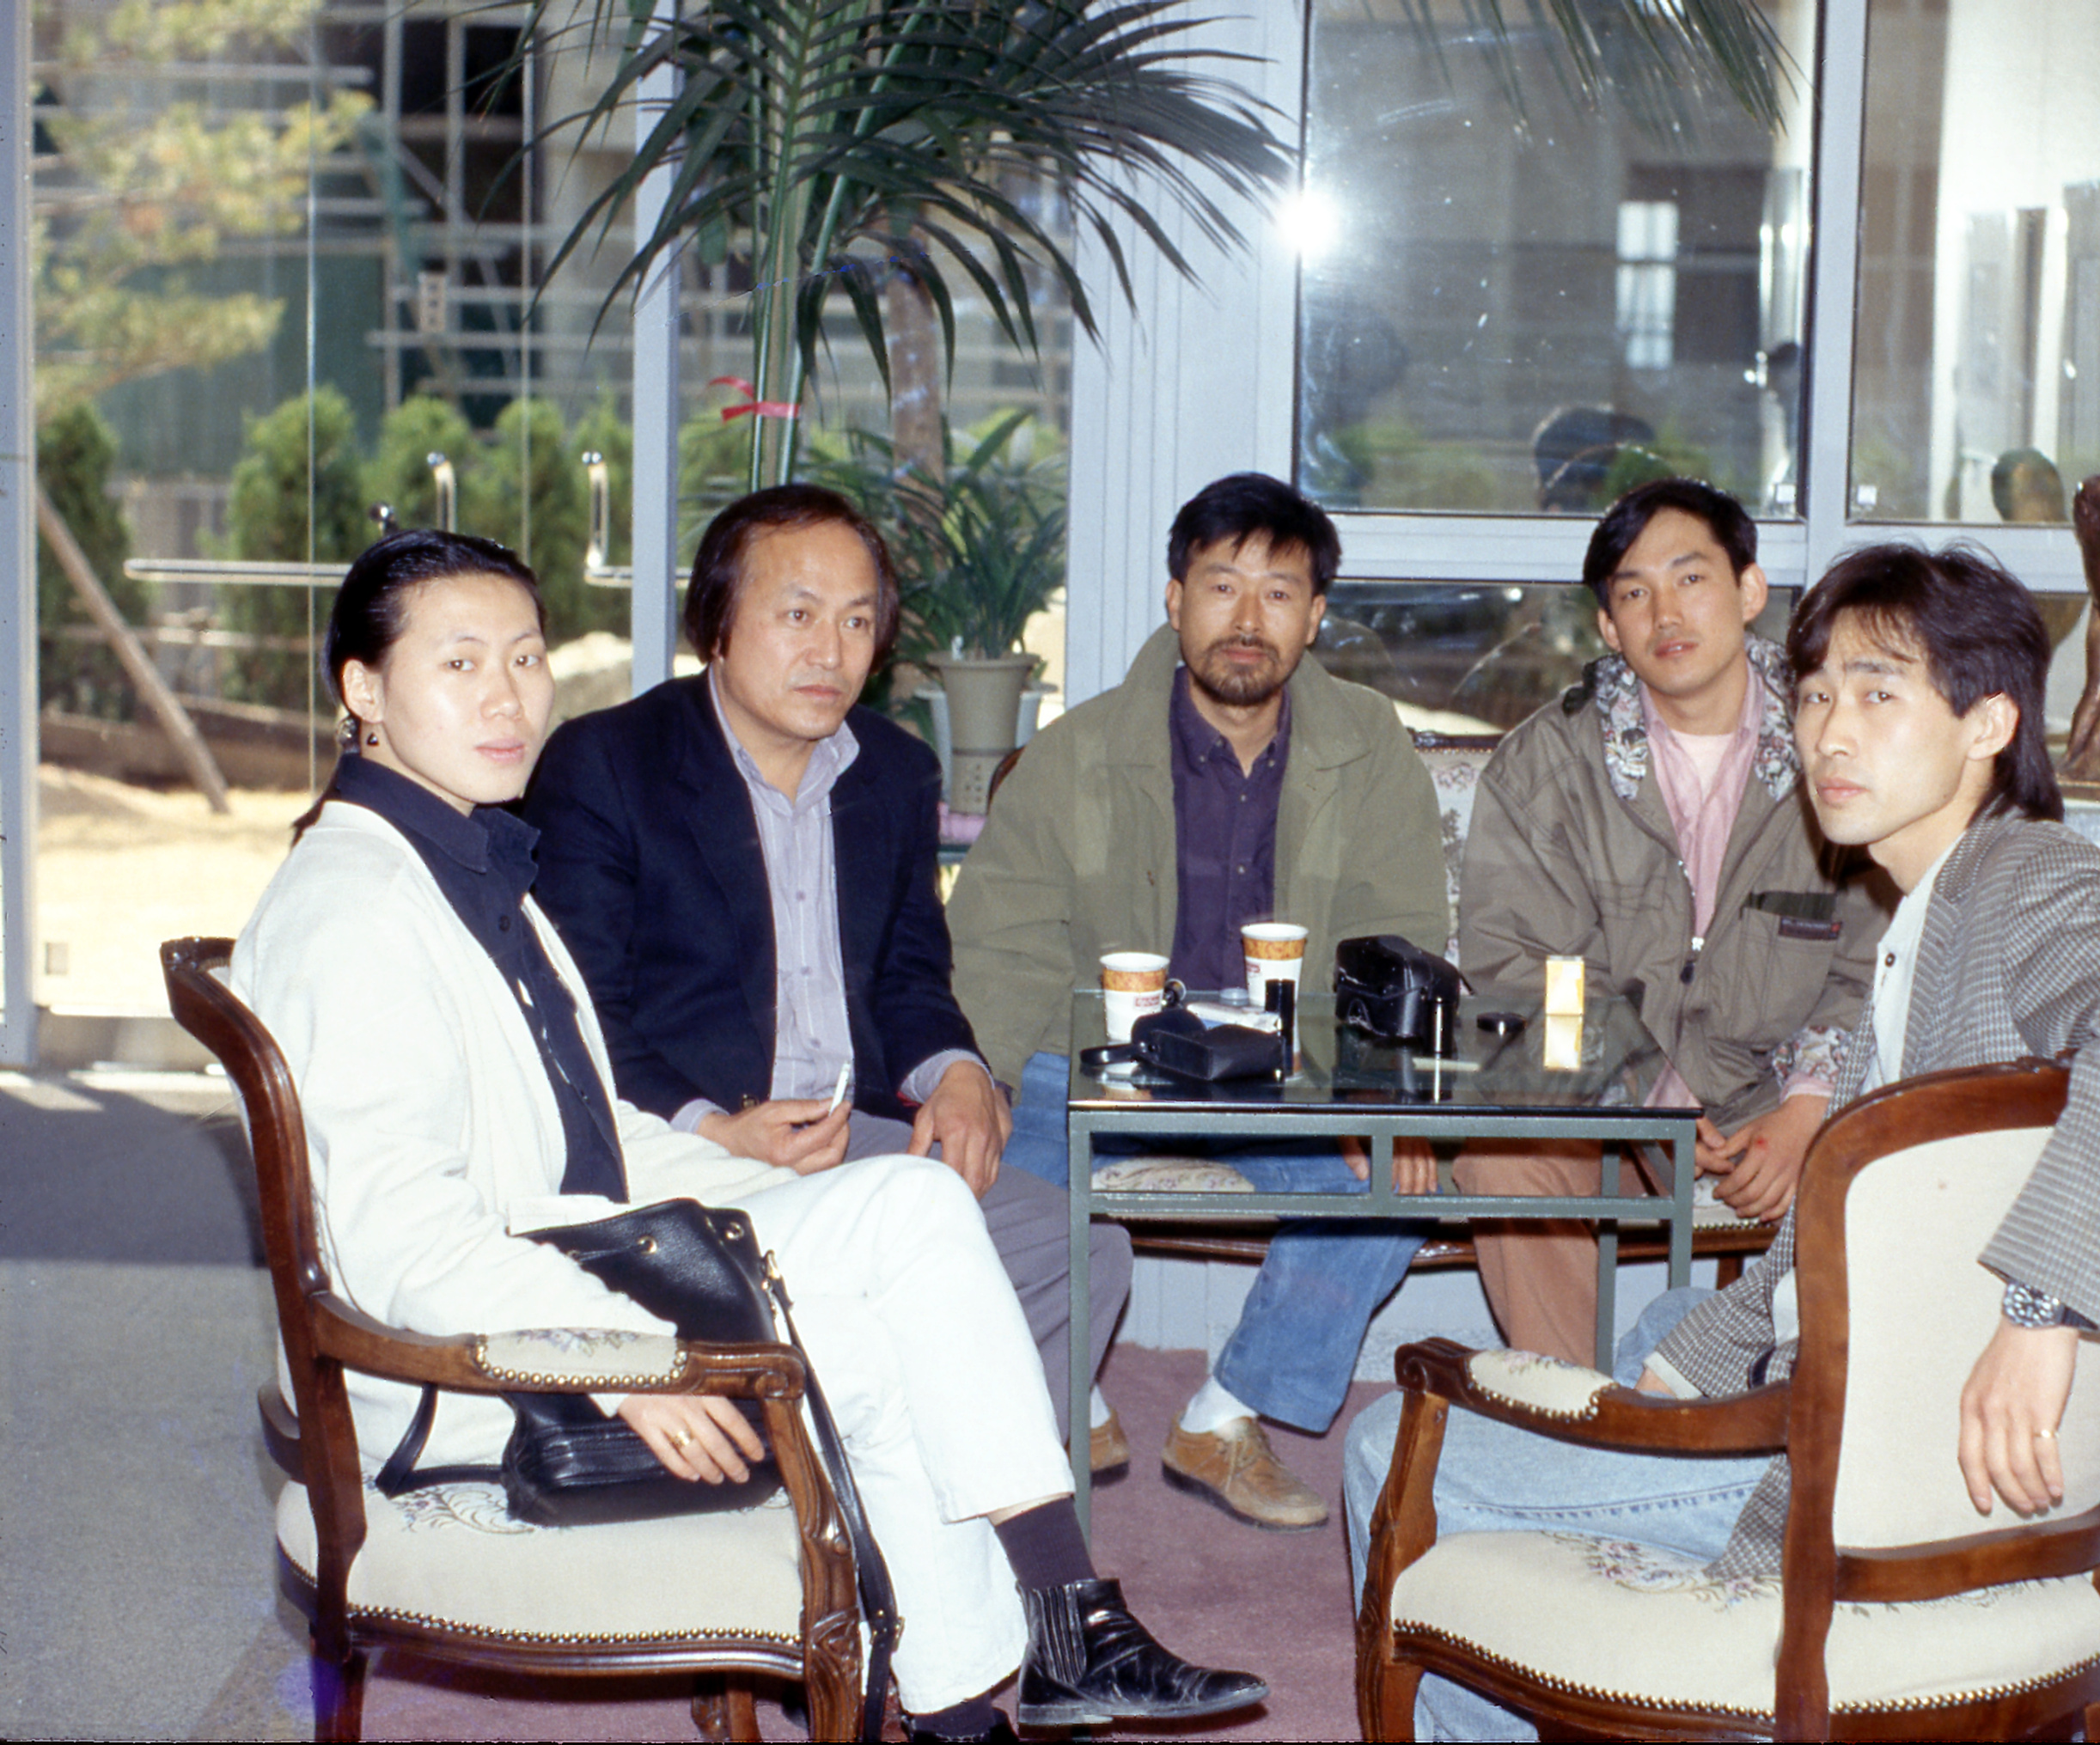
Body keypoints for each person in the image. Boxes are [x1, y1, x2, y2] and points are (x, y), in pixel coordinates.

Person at [234, 530, 1261, 1744]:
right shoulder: (353, 912)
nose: (507, 698)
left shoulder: (460, 862)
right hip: (463, 1369)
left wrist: (764, 1190)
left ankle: (1050, 1635)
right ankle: (984, 1696)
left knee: (915, 1207)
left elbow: (586, 1128)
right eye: (459, 663)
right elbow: (406, 1246)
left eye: (525, 656)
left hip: (570, 1243)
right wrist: (622, 1357)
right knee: (874, 1341)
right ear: (363, 689)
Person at [1343, 540, 2100, 1741]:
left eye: (1879, 694)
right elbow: (1842, 1230)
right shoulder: (1929, 908)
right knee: (1670, 1330)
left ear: (1989, 724)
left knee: (1389, 1441)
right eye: (1816, 694)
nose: (1831, 732)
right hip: (1857, 1386)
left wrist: (2041, 1315)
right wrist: (1678, 1380)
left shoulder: (2031, 879)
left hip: (1874, 1461)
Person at [524, 484, 1133, 1470]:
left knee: (1082, 1252)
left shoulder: (894, 771)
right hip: (680, 1149)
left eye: (856, 622)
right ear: (717, 625)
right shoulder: (608, 764)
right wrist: (711, 1130)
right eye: (798, 615)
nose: (831, 652)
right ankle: (846, 1486)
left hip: (852, 1137)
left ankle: (933, 1497)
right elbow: (580, 1016)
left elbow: (909, 972)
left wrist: (957, 1071)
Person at [949, 473, 1450, 1532]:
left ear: (1316, 616)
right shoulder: (1079, 752)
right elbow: (1005, 941)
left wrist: (1378, 1092)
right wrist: (985, 1077)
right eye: (1222, 586)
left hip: (1286, 1078)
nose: (1247, 619)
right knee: (964, 1181)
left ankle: (1224, 1413)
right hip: (1094, 1069)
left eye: (1279, 592)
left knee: (1396, 1180)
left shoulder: (1369, 748)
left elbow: (1398, 934)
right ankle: (1069, 1393)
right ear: (1175, 600)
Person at [1452, 478, 1883, 1365]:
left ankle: (1782, 1416)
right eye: (1634, 593)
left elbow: (1876, 960)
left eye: (1691, 579)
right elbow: (1519, 966)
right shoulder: (1545, 765)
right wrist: (1650, 1091)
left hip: (1781, 1093)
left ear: (1750, 590)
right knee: (1501, 1151)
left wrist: (1809, 1107)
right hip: (1609, 1096)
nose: (1666, 614)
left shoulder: (1838, 749)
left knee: (1906, 1170)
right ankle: (1571, 1412)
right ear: (1609, 628)